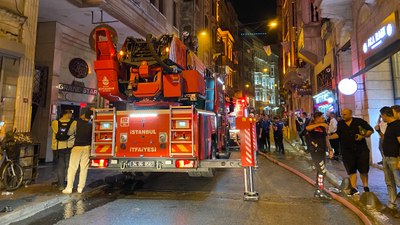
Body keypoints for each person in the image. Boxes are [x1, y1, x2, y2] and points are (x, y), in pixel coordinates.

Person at [329, 108, 373, 196]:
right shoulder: (341, 123)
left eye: (345, 114)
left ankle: (365, 186)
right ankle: (353, 188)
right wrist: (327, 138)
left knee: (363, 170)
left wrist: (362, 136)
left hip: (361, 150)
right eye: (342, 114)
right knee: (351, 170)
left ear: (350, 114)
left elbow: (370, 130)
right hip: (347, 151)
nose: (343, 116)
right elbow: (338, 134)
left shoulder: (359, 121)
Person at [63, 109, 93, 194]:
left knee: (72, 167)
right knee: (84, 168)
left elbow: (69, 133)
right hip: (87, 147)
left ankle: (69, 188)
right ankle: (80, 188)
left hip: (77, 147)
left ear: (83, 115)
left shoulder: (76, 123)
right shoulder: (91, 125)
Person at [306, 111, 333, 199]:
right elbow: (307, 128)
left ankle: (318, 190)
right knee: (322, 171)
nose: (323, 119)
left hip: (322, 151)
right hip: (315, 151)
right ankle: (320, 191)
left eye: (323, 118)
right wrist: (318, 124)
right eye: (321, 118)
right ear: (316, 118)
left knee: (320, 171)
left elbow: (326, 139)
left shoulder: (322, 127)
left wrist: (330, 149)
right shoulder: (312, 126)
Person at [379, 106, 400, 218]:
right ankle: (392, 206)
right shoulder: (390, 126)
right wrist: (378, 131)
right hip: (386, 158)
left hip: (394, 158)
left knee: (398, 182)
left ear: (385, 115)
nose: (381, 117)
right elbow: (386, 139)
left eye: (382, 115)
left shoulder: (397, 125)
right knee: (389, 182)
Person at [51, 110, 76, 190]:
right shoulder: (74, 123)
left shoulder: (54, 122)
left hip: (58, 147)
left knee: (60, 166)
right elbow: (73, 132)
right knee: (69, 166)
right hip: (69, 147)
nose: (71, 115)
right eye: (71, 114)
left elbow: (56, 132)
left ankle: (61, 185)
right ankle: (69, 185)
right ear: (68, 114)